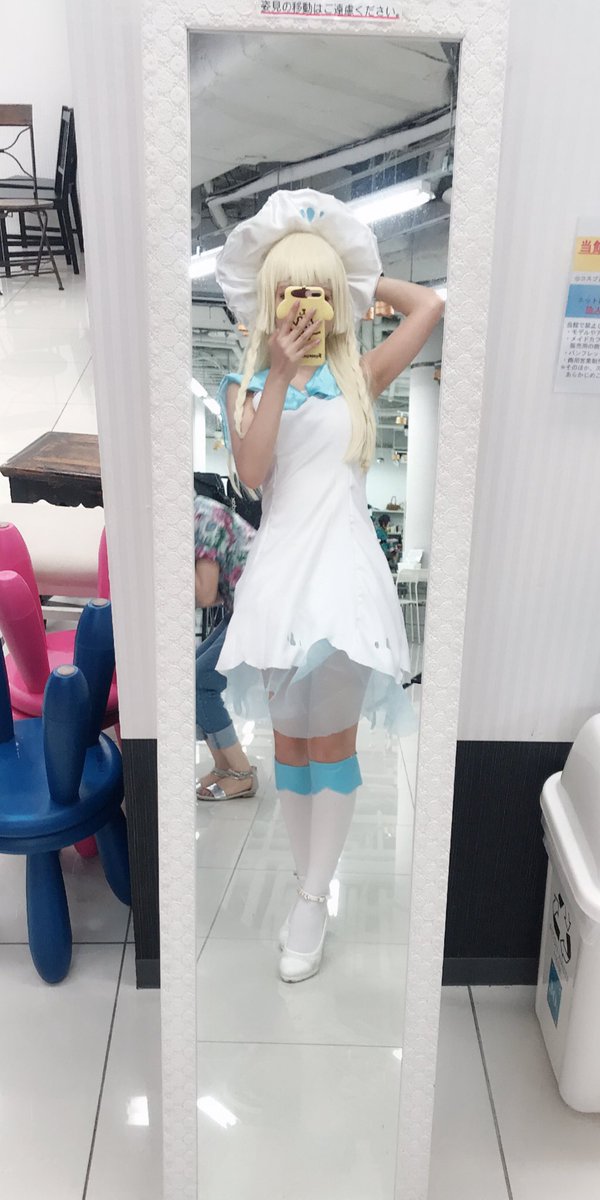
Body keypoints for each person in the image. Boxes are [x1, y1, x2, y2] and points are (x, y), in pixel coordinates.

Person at [213, 188, 444, 982]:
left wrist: (353, 276)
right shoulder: (246, 386)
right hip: (280, 581)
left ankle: (313, 898)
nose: (305, 306)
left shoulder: (360, 376)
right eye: (290, 291)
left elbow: (429, 305)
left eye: (317, 292)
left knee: (332, 745)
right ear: (268, 301)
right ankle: (305, 881)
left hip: (345, 578)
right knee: (290, 748)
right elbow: (252, 473)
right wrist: (278, 372)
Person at [194, 477, 258, 801]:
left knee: (200, 680)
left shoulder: (201, 518)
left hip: (259, 608)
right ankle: (224, 766)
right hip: (247, 606)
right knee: (193, 674)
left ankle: (242, 772)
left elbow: (204, 594)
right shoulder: (203, 511)